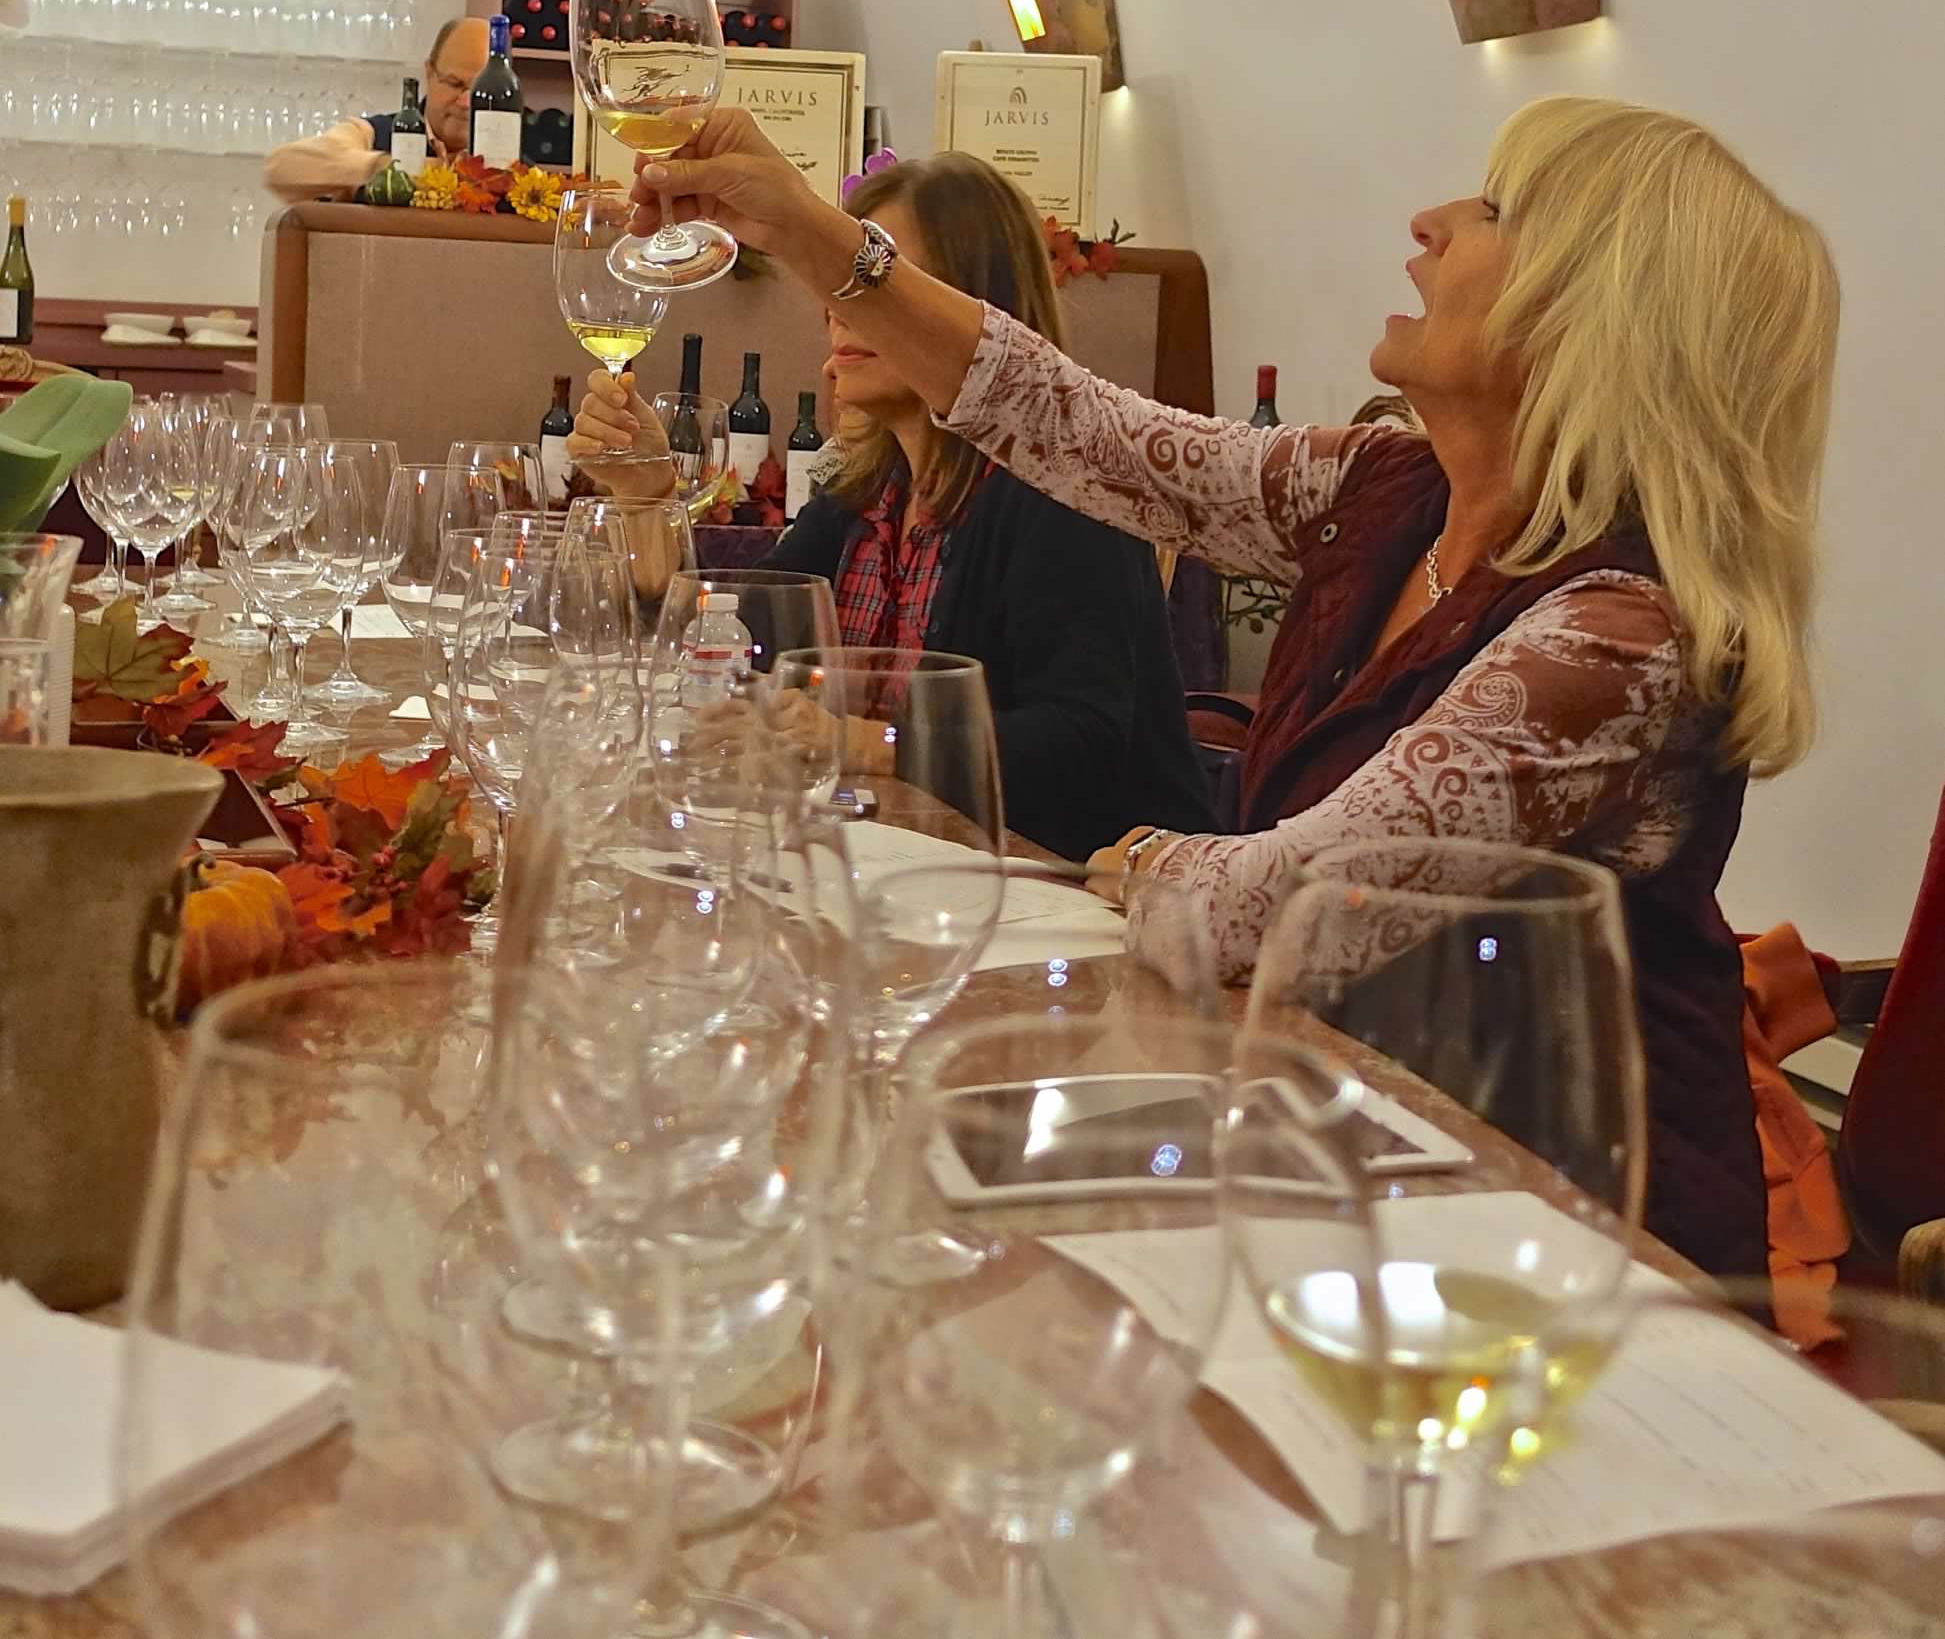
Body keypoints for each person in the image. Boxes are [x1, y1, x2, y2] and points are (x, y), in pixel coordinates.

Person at [624, 96, 1838, 1277]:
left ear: (1596, 311)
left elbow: (1273, 918)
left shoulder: (1617, 637)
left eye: (1493, 208)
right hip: (1353, 1150)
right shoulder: (1387, 491)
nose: (1430, 220)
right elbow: (1069, 424)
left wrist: (1144, 857)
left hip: (1567, 1245)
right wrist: (802, 227)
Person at [567, 150, 1217, 862]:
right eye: (841, 280)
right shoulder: (868, 495)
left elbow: (1080, 742)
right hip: (910, 876)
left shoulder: (1060, 488)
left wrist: (862, 743)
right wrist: (645, 495)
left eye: (873, 278)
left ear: (968, 306)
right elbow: (723, 640)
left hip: (1082, 901)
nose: (837, 306)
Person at [261, 17, 488, 201]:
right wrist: (388, 168)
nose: (466, 102)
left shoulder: (519, 153)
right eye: (454, 84)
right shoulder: (372, 134)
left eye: (480, 90)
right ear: (429, 73)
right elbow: (281, 167)